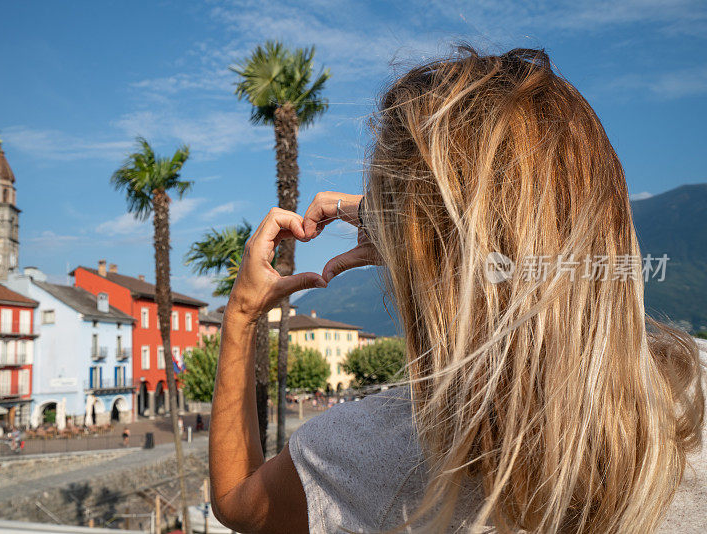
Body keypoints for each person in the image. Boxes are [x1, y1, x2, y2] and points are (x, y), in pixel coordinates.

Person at [208, 47, 705, 534]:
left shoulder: (375, 455)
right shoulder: (691, 395)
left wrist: (243, 311)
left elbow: (237, 501)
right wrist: (413, 224)